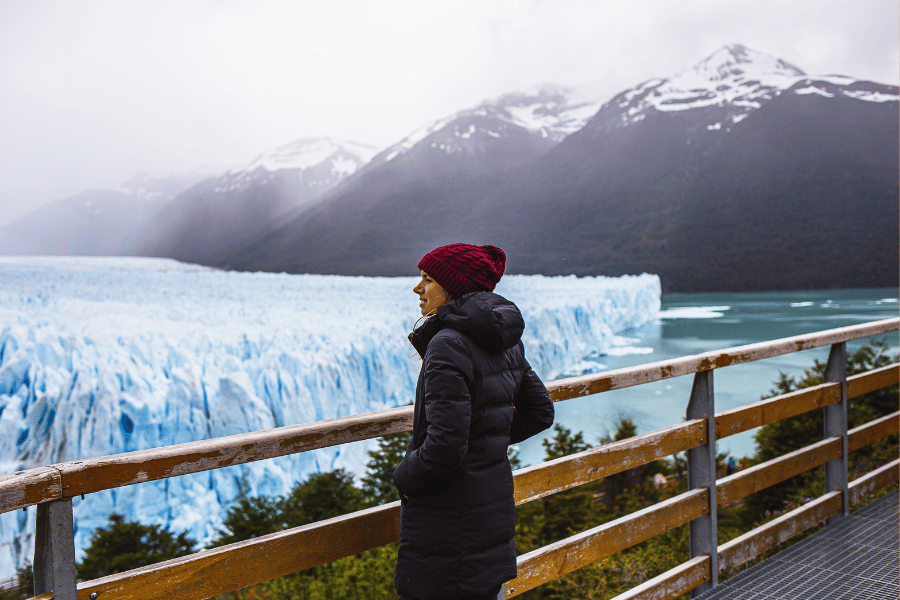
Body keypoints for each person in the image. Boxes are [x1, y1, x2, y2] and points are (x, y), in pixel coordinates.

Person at [392, 243, 555, 600]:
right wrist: (484, 442)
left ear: (453, 288)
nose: (418, 289)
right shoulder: (503, 340)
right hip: (489, 512)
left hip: (448, 526)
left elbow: (445, 447)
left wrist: (404, 478)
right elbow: (540, 412)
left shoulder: (447, 344)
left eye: (428, 279)